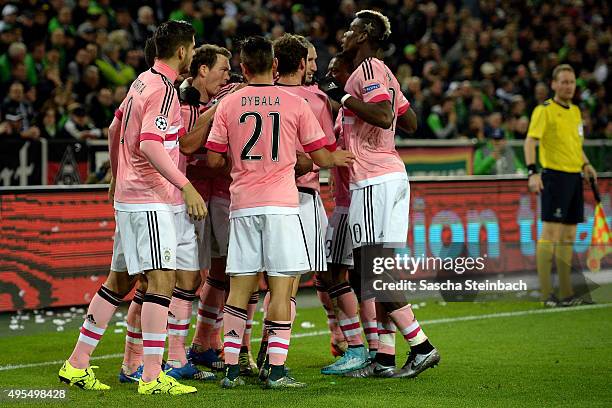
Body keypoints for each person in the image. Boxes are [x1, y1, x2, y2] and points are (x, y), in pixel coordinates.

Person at [58, 20, 205, 395]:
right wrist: (186, 186)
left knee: (118, 282)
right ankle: (153, 377)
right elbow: (151, 144)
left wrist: (113, 176)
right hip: (148, 200)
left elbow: (114, 127)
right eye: (192, 46)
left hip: (128, 196)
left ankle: (76, 364)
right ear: (183, 51)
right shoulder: (164, 91)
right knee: (161, 282)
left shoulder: (142, 80)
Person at [205, 35, 355, 389]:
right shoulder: (294, 103)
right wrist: (340, 158)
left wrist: (240, 164)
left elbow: (212, 159)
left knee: (240, 287)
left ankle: (230, 368)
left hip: (242, 205)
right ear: (274, 66)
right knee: (282, 286)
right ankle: (275, 369)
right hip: (282, 205)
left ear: (242, 68)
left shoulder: (229, 104)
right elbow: (320, 157)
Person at [319, 9, 439, 378]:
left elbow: (386, 115)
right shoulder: (380, 73)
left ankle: (420, 346)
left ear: (366, 33)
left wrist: (344, 97)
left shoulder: (368, 70)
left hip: (373, 180)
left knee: (372, 273)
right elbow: (409, 120)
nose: (345, 34)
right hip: (386, 176)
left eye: (352, 29)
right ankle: (385, 356)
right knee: (372, 271)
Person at [524, 64, 597, 307]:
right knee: (551, 234)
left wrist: (586, 164)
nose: (568, 86)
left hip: (575, 177)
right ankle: (547, 294)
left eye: (571, 82)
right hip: (554, 176)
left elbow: (576, 145)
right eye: (563, 82)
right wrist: (533, 172)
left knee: (568, 236)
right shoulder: (544, 110)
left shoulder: (576, 111)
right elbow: (530, 142)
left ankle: (566, 293)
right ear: (554, 84)